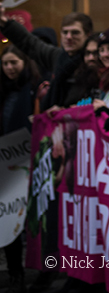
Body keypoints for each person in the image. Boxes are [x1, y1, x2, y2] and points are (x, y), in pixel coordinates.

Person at [0, 10, 92, 110]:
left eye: (75, 33)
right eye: (65, 32)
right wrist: (4, 22)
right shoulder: (58, 57)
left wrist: (66, 110)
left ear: (87, 35)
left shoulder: (93, 61)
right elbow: (29, 42)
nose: (69, 37)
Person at [0, 46, 37, 291]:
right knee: (7, 217)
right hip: (5, 162)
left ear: (25, 61)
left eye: (14, 62)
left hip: (27, 161)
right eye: (5, 64)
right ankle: (15, 270)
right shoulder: (3, 90)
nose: (9, 68)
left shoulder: (34, 88)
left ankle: (40, 268)